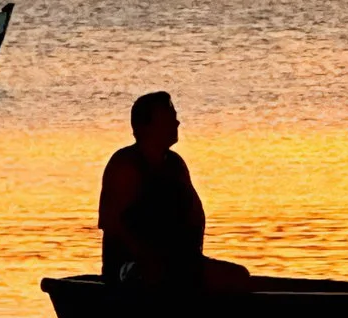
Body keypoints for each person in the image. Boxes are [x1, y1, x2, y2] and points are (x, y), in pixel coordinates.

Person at [97, 91, 250, 294]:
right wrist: (149, 262)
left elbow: (195, 216)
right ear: (145, 127)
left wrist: (192, 258)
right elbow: (115, 226)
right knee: (162, 279)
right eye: (169, 118)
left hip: (174, 262)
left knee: (238, 277)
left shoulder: (175, 165)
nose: (177, 123)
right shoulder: (125, 166)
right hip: (130, 268)